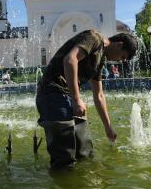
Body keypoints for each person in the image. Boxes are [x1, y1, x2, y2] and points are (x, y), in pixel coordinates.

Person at [36, 29, 138, 169]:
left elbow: (99, 95)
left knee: (85, 152)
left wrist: (108, 128)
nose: (120, 61)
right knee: (64, 160)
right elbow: (70, 60)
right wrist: (77, 100)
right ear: (119, 45)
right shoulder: (94, 38)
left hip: (67, 97)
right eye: (123, 57)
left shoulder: (101, 59)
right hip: (52, 94)